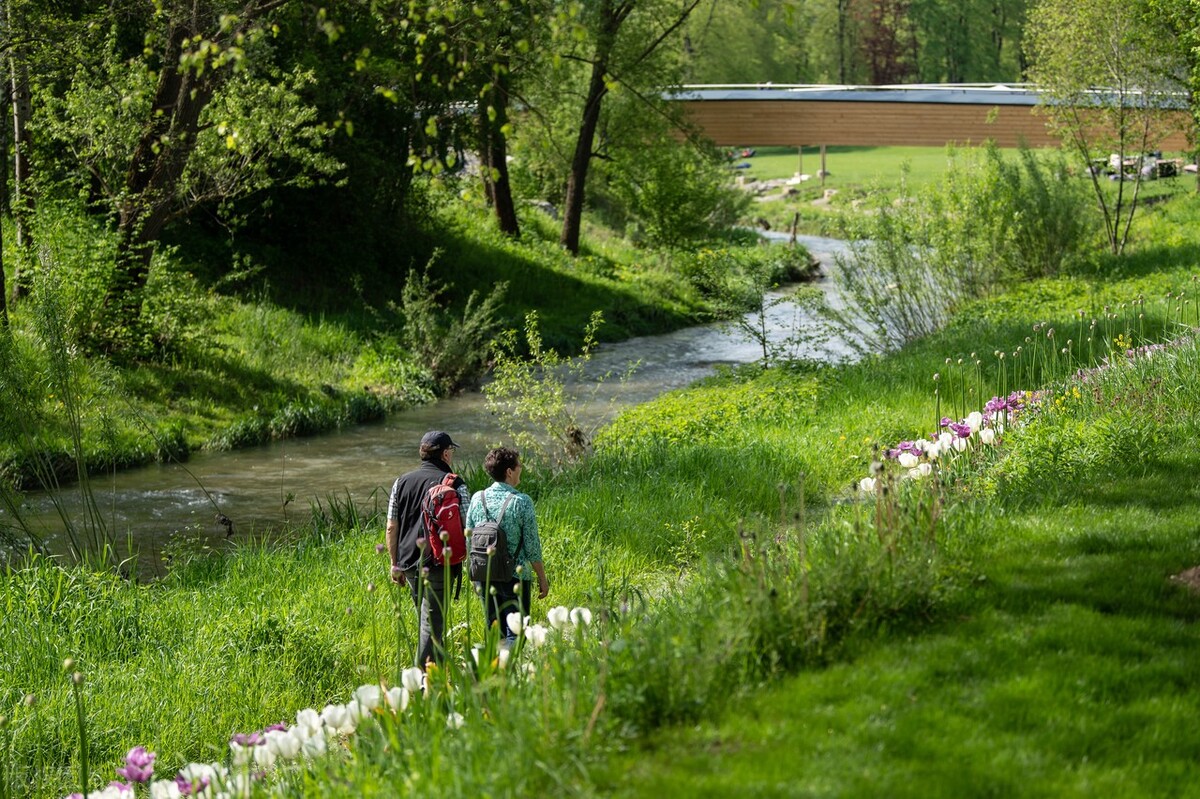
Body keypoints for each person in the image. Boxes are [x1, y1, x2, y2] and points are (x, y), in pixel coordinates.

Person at [385, 430, 470, 670]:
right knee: (431, 625)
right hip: (439, 563)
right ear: (445, 454)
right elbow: (467, 527)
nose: (451, 455)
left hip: (409, 563)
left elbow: (392, 526)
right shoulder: (455, 483)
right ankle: (422, 682)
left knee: (428, 621)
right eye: (451, 451)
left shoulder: (400, 482)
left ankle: (437, 675)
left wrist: (394, 563)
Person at [465, 447, 549, 645]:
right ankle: (510, 673)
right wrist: (542, 579)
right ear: (509, 472)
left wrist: (473, 572)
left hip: (485, 574)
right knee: (517, 633)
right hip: (515, 575)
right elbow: (532, 546)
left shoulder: (478, 498)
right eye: (519, 465)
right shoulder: (521, 502)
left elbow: (469, 537)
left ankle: (493, 671)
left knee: (494, 630)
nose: (521, 468)